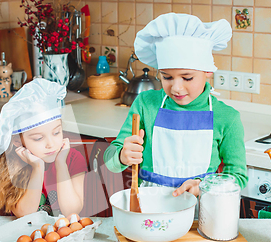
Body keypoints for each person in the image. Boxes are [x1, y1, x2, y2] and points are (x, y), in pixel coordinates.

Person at [104, 13, 248, 198]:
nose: (176, 88)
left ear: (208, 71)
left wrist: (204, 186)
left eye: (187, 78)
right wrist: (122, 156)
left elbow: (238, 177)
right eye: (167, 77)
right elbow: (109, 161)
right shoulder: (146, 104)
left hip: (202, 211)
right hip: (150, 208)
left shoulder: (227, 118)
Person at [0, 78, 87, 218]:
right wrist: (37, 168)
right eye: (38, 138)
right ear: (18, 141)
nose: (51, 144)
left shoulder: (73, 159)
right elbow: (25, 214)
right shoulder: (13, 162)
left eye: (56, 133)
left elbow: (71, 212)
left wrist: (61, 164)